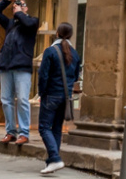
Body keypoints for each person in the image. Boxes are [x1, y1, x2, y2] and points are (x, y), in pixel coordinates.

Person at [0, 0, 39, 144]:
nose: (16, 6)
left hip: (21, 66)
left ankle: (24, 133)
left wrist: (19, 12)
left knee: (23, 99)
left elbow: (28, 24)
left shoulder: (32, 21)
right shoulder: (10, 24)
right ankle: (10, 131)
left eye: (20, 4)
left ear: (26, 7)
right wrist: (7, 0)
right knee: (6, 100)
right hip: (6, 65)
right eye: (15, 5)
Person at [37, 22, 82, 175]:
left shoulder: (50, 51)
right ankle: (53, 160)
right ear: (71, 35)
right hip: (66, 96)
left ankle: (55, 158)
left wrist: (41, 93)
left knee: (44, 127)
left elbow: (43, 75)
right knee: (56, 128)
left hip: (51, 94)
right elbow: (76, 76)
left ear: (57, 33)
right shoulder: (75, 53)